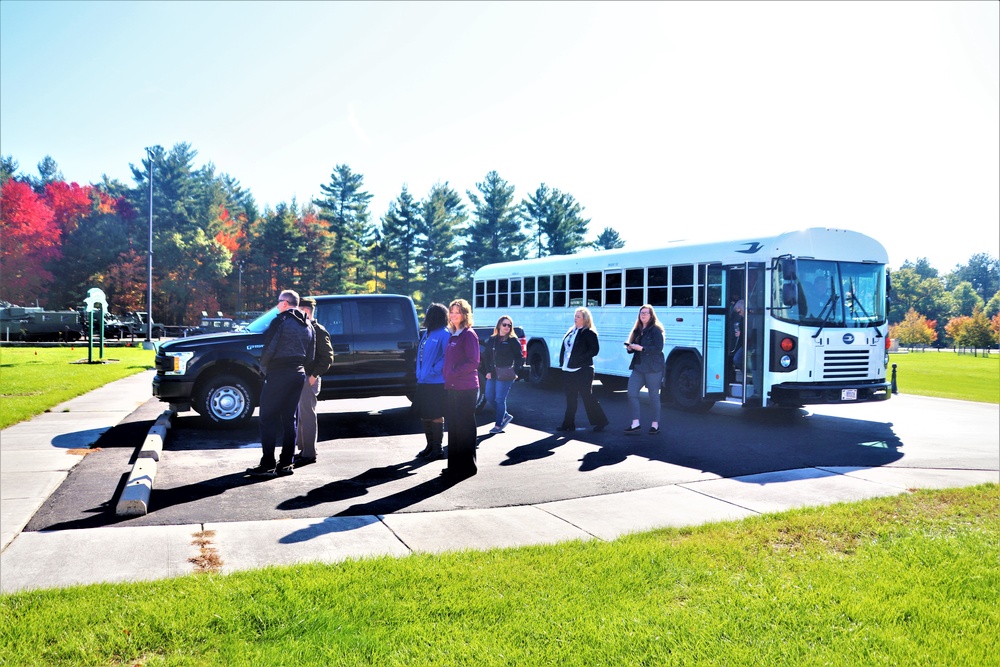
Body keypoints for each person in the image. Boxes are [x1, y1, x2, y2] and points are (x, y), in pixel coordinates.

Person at [248, 290, 314, 477]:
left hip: (279, 373)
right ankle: (286, 464)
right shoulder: (308, 324)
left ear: (286, 303)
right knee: (289, 419)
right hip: (298, 374)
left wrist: (265, 369)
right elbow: (311, 354)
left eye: (278, 302)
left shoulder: (280, 320)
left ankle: (268, 463)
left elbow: (269, 349)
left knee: (267, 418)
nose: (277, 305)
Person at [293, 297, 335, 467]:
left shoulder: (318, 330)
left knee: (307, 415)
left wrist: (313, 376)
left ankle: (309, 453)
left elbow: (328, 358)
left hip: (309, 379)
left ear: (307, 311)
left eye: (299, 311)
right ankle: (303, 450)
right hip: (300, 377)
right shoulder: (304, 328)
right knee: (301, 416)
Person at [442, 298, 480, 478]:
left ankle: (467, 467)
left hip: (466, 388)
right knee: (454, 427)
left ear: (465, 315)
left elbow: (474, 361)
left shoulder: (469, 334)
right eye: (452, 312)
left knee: (465, 428)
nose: (454, 315)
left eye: (457, 312)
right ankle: (454, 466)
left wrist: (455, 372)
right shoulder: (453, 334)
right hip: (452, 387)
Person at [556, 307, 609, 433]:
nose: (575, 318)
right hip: (569, 369)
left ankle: (600, 422)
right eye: (575, 316)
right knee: (570, 397)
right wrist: (563, 362)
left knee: (587, 396)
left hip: (583, 369)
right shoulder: (572, 331)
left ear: (585, 319)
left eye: (578, 316)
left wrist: (580, 359)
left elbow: (594, 350)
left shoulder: (589, 333)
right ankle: (568, 424)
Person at [414, 303, 449, 460]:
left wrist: (434, 370)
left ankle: (437, 449)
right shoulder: (427, 333)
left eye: (428, 313)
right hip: (423, 381)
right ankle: (429, 446)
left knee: (435, 414)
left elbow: (447, 357)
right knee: (424, 414)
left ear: (434, 315)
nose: (425, 315)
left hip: (436, 382)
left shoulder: (444, 333)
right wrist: (420, 372)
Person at [624, 304, 665, 435]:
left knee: (653, 396)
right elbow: (633, 349)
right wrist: (630, 348)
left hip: (653, 367)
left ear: (651, 315)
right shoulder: (637, 329)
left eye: (646, 313)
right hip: (639, 366)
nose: (643, 315)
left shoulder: (656, 330)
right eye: (641, 313)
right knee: (631, 393)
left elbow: (658, 348)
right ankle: (635, 423)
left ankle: (655, 424)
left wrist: (642, 348)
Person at [483, 315, 523, 434]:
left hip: (506, 373)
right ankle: (505, 415)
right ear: (499, 325)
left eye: (509, 325)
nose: (507, 327)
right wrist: (488, 371)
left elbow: (519, 357)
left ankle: (498, 425)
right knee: (489, 396)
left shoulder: (513, 340)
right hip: (493, 373)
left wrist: (516, 372)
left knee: (500, 399)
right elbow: (486, 356)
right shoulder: (492, 339)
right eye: (504, 324)